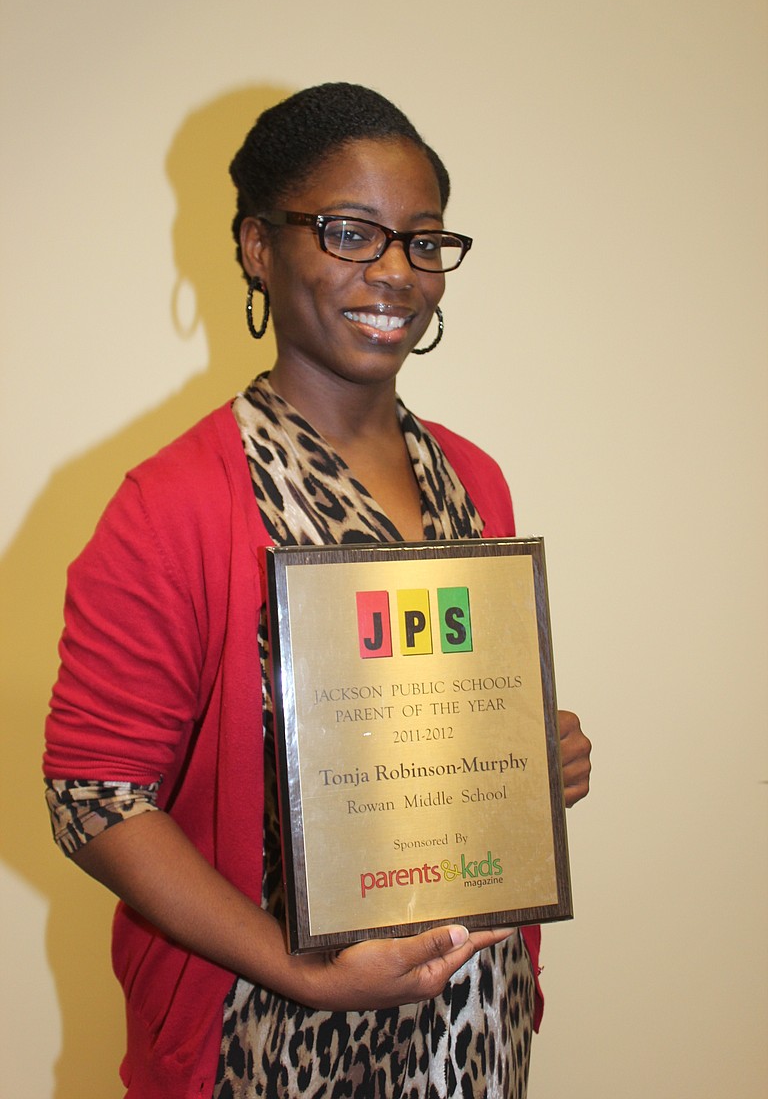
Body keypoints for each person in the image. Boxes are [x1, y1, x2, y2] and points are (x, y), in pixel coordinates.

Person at [44, 82, 591, 1099]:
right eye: (351, 232)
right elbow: (92, 800)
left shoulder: (476, 477)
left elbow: (445, 728)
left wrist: (528, 758)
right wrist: (301, 967)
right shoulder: (171, 508)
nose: (395, 272)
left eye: (423, 241)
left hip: (473, 1031)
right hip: (265, 1041)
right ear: (259, 246)